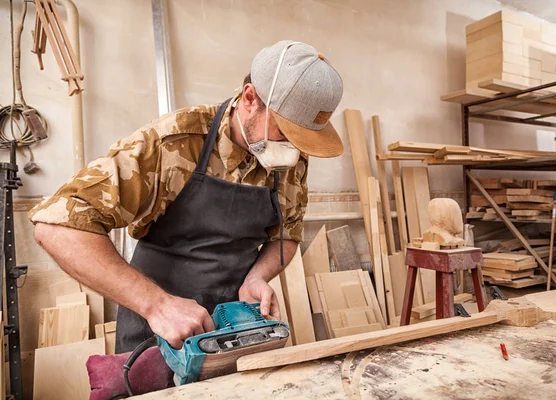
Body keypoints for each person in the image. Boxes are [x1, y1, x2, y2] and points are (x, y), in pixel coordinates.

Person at [29, 40, 344, 353]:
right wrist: (157, 305)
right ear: (251, 99)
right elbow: (57, 227)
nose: (293, 147)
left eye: (301, 139)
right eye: (286, 132)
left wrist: (257, 278)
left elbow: (288, 233)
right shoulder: (173, 142)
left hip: (235, 326)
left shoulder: (288, 156)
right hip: (159, 328)